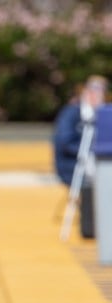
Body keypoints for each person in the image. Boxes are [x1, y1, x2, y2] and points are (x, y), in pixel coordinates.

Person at [53, 75, 107, 238]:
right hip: (75, 165)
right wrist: (90, 151)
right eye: (92, 90)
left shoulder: (104, 113)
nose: (96, 95)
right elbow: (65, 141)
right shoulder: (72, 113)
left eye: (100, 91)